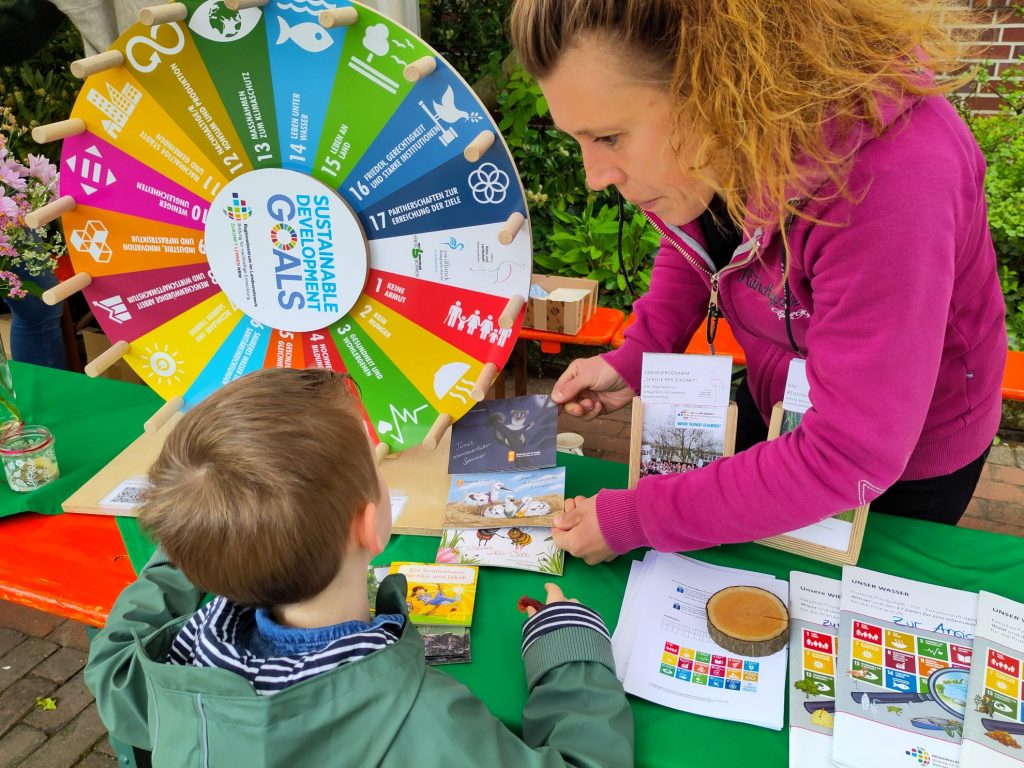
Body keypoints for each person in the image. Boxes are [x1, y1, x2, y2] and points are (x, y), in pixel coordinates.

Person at [509, 0, 1006, 562]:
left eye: (608, 137)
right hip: (777, 397)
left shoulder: (895, 179)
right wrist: (640, 354)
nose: (594, 176)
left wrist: (640, 516)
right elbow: (698, 239)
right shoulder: (729, 131)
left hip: (906, 454)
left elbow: (848, 454)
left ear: (716, 79)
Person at [84, 368, 633, 767]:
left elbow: (110, 659)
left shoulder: (164, 673)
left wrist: (207, 535)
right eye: (378, 463)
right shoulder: (425, 722)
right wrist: (570, 651)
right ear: (369, 526)